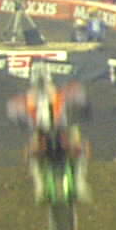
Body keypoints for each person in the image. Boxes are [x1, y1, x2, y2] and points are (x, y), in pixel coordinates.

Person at [17, 70, 91, 203]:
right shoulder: (30, 98)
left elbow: (77, 98)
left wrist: (81, 108)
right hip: (43, 131)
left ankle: (79, 182)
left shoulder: (57, 94)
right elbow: (18, 111)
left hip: (61, 128)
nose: (42, 88)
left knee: (78, 146)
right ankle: (40, 185)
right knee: (33, 151)